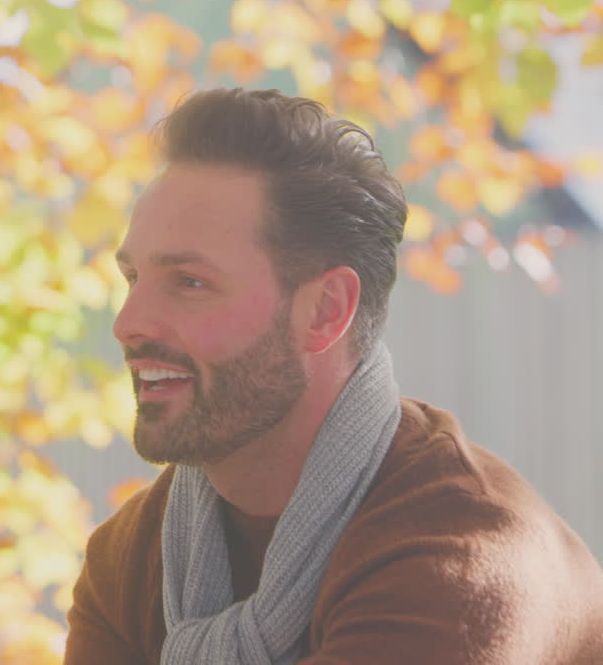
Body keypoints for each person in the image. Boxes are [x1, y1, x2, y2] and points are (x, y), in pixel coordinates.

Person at [64, 88, 603, 664]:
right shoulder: (129, 558)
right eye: (132, 278)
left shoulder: (457, 556)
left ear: (324, 311)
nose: (128, 323)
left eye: (189, 282)